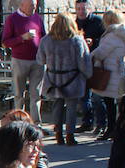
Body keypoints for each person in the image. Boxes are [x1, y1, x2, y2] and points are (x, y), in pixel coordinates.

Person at [38, 11, 92, 145]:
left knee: (57, 105)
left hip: (54, 78)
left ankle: (58, 134)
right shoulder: (77, 40)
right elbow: (83, 61)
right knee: (71, 107)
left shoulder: (46, 40)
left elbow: (40, 59)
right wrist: (87, 75)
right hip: (72, 78)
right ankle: (70, 135)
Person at [90, 10, 125, 139]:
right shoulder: (120, 35)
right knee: (114, 103)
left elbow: (100, 53)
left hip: (109, 72)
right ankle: (114, 129)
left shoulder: (111, 37)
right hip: (116, 70)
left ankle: (112, 129)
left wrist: (89, 57)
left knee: (110, 103)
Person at [1, 0, 45, 125]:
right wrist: (22, 38)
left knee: (36, 93)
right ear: (22, 5)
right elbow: (5, 42)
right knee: (19, 94)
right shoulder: (12, 19)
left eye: (35, 5)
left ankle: (36, 123)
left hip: (37, 60)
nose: (34, 8)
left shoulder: (37, 17)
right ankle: (19, 122)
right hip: (20, 60)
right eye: (31, 6)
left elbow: (43, 35)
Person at [73, 0, 106, 133]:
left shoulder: (98, 22)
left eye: (84, 9)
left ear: (90, 9)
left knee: (98, 96)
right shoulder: (74, 23)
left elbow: (105, 39)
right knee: (83, 95)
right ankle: (87, 122)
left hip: (96, 61)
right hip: (80, 62)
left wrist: (94, 41)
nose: (81, 12)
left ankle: (101, 123)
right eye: (78, 9)